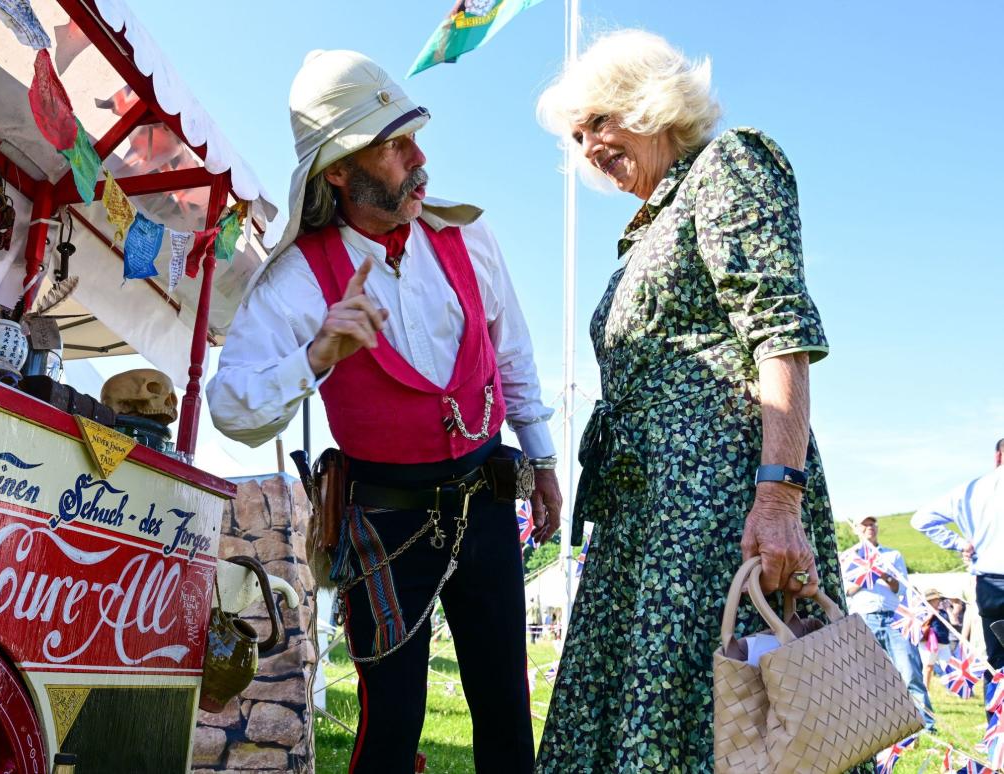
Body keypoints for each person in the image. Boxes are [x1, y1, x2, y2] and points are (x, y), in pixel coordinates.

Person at [206, 50, 562, 773]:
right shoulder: (299, 277)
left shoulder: (469, 237)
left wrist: (545, 458)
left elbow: (513, 354)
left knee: (503, 705)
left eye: (413, 137)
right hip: (385, 520)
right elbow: (229, 406)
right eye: (395, 145)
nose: (419, 157)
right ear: (339, 170)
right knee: (392, 719)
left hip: (488, 496)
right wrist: (314, 357)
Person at [531, 30, 856, 772]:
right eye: (578, 137)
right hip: (642, 521)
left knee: (727, 721)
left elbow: (780, 332)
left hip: (713, 508)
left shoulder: (728, 165)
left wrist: (778, 497)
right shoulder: (646, 227)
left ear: (652, 103)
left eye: (601, 122)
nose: (589, 147)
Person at [911, 438, 1004, 720]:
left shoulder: (972, 490)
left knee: (998, 664)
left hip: (991, 586)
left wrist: (961, 544)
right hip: (991, 582)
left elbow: (921, 519)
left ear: (998, 457)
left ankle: (997, 742)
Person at [841, 516, 936, 729]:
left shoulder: (892, 555)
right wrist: (867, 575)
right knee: (868, 674)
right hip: (864, 617)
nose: (869, 528)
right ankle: (879, 725)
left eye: (872, 524)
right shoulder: (848, 557)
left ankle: (926, 723)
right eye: (864, 524)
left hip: (893, 616)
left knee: (909, 671)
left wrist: (884, 573)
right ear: (856, 529)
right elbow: (846, 590)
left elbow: (900, 588)